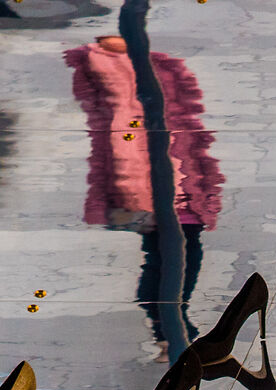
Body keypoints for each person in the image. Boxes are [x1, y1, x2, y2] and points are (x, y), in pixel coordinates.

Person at [67, 35, 223, 345]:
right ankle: (169, 326)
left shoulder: (155, 95)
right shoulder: (126, 105)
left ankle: (168, 324)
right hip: (158, 198)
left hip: (175, 196)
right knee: (171, 258)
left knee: (173, 257)